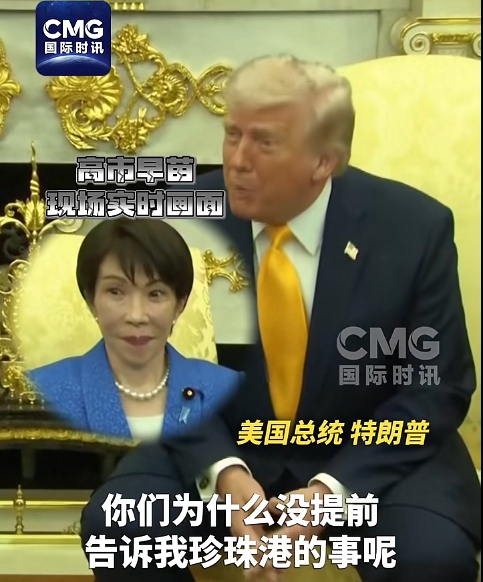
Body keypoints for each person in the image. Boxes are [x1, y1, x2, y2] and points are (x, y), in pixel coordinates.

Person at [80, 55, 481, 582]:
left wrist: (331, 493)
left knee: (432, 556)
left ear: (323, 161)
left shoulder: (413, 228)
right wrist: (225, 473)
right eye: (233, 135)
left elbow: (437, 387)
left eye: (264, 143)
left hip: (374, 457)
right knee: (120, 526)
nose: (237, 160)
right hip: (222, 440)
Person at [28, 218, 243, 442]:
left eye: (155, 294)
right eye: (116, 292)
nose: (136, 316)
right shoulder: (38, 392)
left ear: (180, 305)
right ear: (91, 300)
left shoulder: (229, 388)